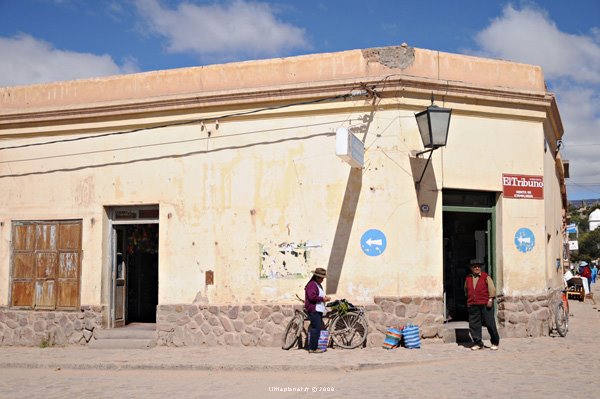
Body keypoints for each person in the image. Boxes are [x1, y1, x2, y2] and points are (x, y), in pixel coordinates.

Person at [464, 260, 500, 351]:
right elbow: (466, 290)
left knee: (490, 323)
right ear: (471, 268)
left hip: (485, 303)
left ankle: (495, 342)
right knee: (474, 325)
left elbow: (492, 288)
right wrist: (469, 300)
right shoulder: (468, 278)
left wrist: (490, 299)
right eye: (474, 266)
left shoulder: (485, 276)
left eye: (478, 266)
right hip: (473, 304)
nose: (477, 268)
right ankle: (478, 343)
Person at [304, 267, 331, 353]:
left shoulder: (317, 284)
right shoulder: (312, 285)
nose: (323, 280)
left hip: (318, 309)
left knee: (317, 328)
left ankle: (313, 347)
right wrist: (323, 299)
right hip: (314, 309)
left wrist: (324, 298)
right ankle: (312, 348)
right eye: (322, 278)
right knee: (315, 328)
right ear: (317, 277)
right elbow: (312, 297)